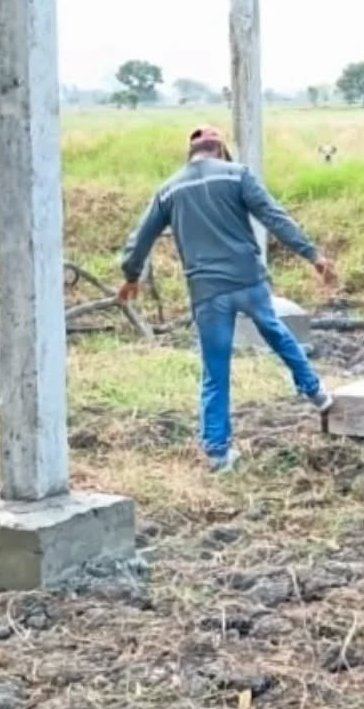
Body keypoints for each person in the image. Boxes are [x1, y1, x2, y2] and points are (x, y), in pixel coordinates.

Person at [118, 125, 338, 473]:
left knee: (215, 370)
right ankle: (316, 392)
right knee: (275, 331)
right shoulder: (237, 175)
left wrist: (131, 276)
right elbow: (274, 216)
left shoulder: (169, 189)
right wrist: (313, 255)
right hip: (248, 279)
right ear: (220, 151)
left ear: (190, 154)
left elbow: (141, 238)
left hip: (207, 292)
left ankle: (219, 454)